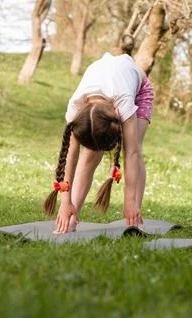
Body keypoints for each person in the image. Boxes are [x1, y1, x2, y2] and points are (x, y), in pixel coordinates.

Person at [43, 52, 154, 234]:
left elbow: (131, 153)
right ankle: (72, 217)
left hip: (139, 90)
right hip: (112, 90)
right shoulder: (75, 108)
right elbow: (69, 155)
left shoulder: (123, 102)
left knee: (134, 147)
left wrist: (129, 199)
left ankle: (133, 216)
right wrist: (66, 201)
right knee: (88, 158)